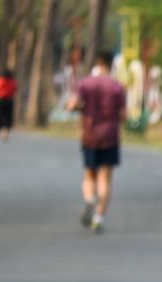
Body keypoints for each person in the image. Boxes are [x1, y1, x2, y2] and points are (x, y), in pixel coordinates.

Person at [67, 51, 126, 234]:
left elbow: (71, 105)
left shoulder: (85, 84)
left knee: (90, 174)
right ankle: (98, 218)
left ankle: (89, 199)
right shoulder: (117, 87)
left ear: (96, 64)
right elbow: (124, 115)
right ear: (110, 65)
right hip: (110, 136)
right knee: (105, 177)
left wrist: (81, 109)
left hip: (89, 134)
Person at [0, 69, 17, 142]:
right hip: (9, 100)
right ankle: (5, 133)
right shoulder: (12, 81)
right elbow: (15, 89)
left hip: (1, 100)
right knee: (7, 117)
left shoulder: (1, 80)